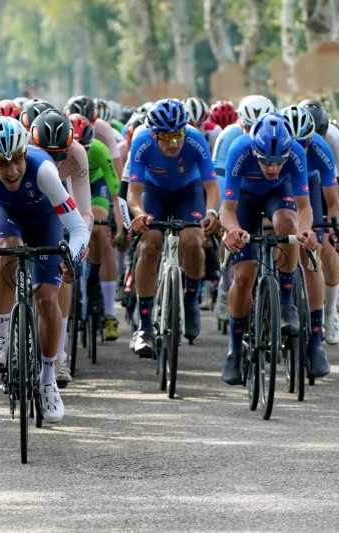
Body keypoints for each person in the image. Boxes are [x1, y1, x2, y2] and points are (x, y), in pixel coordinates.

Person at [0, 117, 90, 423]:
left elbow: (78, 229)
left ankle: (47, 381)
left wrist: (71, 258)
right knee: (8, 246)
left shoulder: (43, 169)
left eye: (17, 159)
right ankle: (2, 336)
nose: (13, 170)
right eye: (3, 164)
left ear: (25, 153)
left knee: (47, 299)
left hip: (45, 221)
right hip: (4, 215)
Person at [219, 113, 317, 385]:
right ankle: (235, 350)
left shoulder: (296, 152)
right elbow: (226, 210)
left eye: (279, 161)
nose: (273, 167)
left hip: (279, 194)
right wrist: (233, 231)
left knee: (288, 223)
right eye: (266, 161)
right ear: (254, 151)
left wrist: (305, 231)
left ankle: (286, 303)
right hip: (246, 200)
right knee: (244, 275)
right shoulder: (239, 149)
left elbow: (305, 207)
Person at [127, 98, 222, 357]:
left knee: (193, 239)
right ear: (154, 134)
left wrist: (212, 212)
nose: (174, 143)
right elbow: (133, 193)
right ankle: (145, 326)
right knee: (148, 246)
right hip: (153, 192)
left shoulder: (194, 139)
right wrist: (138, 214)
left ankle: (191, 298)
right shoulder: (141, 141)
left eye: (178, 134)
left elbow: (212, 186)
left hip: (187, 192)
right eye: (166, 137)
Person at [30, 109, 93, 388]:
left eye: (59, 156)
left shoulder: (77, 154)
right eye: (47, 153)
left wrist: (82, 244)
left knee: (62, 263)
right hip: (27, 204)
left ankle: (59, 354)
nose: (53, 161)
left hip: (59, 205)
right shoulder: (25, 153)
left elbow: (85, 211)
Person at [280, 105, 339, 377]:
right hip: (278, 184)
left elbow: (334, 202)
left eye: (304, 143)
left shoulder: (319, 149)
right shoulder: (271, 144)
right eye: (294, 144)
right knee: (276, 241)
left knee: (312, 255)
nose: (300, 150)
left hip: (308, 188)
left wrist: (331, 232)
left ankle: (316, 341)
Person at [298, 98, 339, 343]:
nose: (318, 139)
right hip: (299, 182)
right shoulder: (288, 130)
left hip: (325, 184)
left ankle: (330, 311)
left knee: (328, 247)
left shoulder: (334, 140)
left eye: (321, 133)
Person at [211, 94, 276, 324]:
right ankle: (225, 280)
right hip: (240, 191)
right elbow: (219, 178)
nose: (254, 132)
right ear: (240, 124)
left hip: (270, 192)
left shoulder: (279, 136)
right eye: (248, 126)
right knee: (226, 224)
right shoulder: (229, 137)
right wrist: (220, 216)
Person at [68, 113, 125, 341]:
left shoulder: (100, 149)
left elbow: (116, 193)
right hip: (68, 182)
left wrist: (120, 226)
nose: (80, 152)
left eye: (85, 148)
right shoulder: (59, 152)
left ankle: (93, 277)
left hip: (95, 185)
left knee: (99, 228)